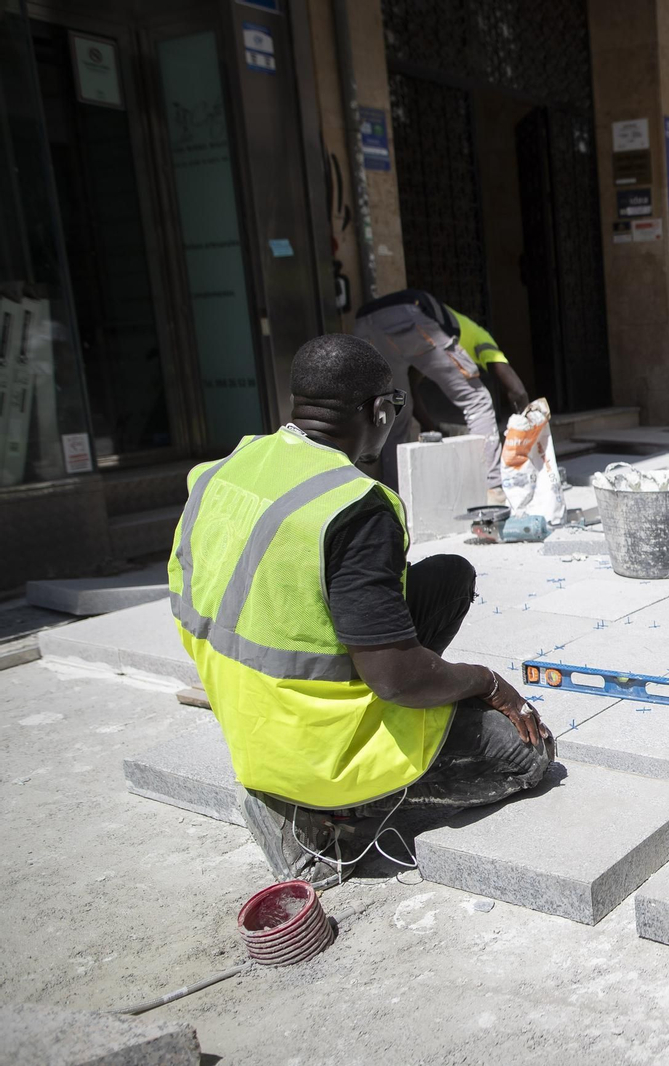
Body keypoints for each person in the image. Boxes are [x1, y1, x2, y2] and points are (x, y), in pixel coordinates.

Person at [168, 333, 554, 887]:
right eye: (393, 407)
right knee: (527, 755)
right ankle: (325, 820)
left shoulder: (229, 467)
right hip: (313, 747)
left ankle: (313, 788)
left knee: (448, 578)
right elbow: (395, 678)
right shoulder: (355, 510)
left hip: (246, 709)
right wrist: (488, 683)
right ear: (379, 409)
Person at [352, 290, 531, 503]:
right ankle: (493, 489)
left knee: (396, 411)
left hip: (364, 324)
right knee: (478, 399)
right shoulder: (480, 337)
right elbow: (517, 390)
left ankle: (393, 497)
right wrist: (528, 429)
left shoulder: (431, 341)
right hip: (407, 317)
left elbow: (412, 393)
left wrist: (432, 428)